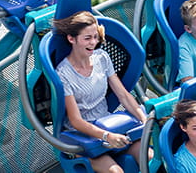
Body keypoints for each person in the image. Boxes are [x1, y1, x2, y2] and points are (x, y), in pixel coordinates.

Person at [53, 11, 152, 173]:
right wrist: (107, 136)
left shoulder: (102, 58)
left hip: (108, 122)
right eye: (87, 38)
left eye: (95, 37)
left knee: (150, 158)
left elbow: (123, 95)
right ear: (72, 39)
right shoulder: (63, 74)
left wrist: (144, 119)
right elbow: (76, 120)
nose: (93, 43)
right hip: (83, 137)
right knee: (116, 172)